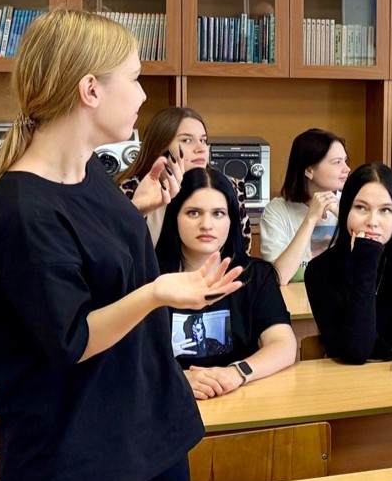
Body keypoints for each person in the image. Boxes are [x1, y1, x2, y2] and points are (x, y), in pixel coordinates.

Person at [0, 8, 242, 481]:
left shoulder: (91, 176)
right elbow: (71, 338)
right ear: (90, 89)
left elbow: (95, 265)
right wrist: (158, 291)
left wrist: (140, 211)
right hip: (77, 471)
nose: (143, 95)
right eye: (135, 78)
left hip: (143, 440)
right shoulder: (21, 211)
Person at [156, 168, 297, 399]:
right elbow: (126, 358)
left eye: (219, 213)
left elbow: (283, 344)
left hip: (238, 398)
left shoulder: (256, 275)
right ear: (174, 217)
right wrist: (176, 379)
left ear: (232, 220)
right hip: (170, 400)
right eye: (193, 213)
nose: (207, 224)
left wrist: (236, 373)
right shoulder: (151, 279)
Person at [305, 163, 392, 363]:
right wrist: (366, 260)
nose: (373, 221)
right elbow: (355, 353)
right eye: (361, 208)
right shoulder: (320, 270)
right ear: (345, 210)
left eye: (385, 210)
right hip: (352, 378)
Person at [117, 106, 252, 245]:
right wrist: (143, 210)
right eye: (187, 140)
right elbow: (117, 251)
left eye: (203, 140)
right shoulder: (130, 191)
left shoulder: (227, 187)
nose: (201, 148)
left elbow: (241, 249)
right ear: (160, 147)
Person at [259, 128, 350, 283]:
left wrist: (344, 217)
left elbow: (367, 267)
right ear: (309, 170)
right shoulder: (277, 211)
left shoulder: (351, 203)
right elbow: (279, 277)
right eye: (337, 162)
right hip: (294, 297)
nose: (346, 169)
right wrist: (310, 219)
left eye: (345, 160)